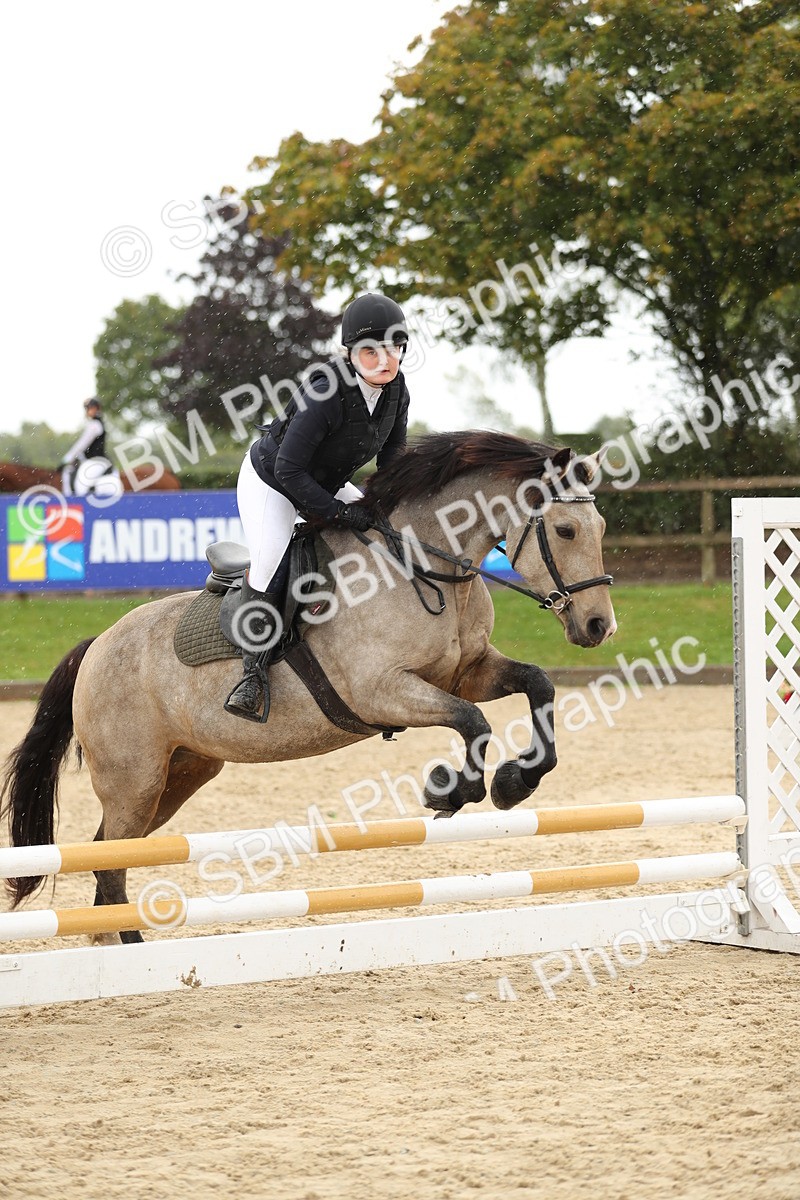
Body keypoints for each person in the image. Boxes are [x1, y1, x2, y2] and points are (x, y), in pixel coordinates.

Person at [225, 292, 411, 722]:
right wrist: (339, 513)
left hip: (322, 480)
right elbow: (290, 471)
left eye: (394, 348)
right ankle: (251, 673)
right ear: (351, 354)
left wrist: (385, 503)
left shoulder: (396, 391)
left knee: (385, 530)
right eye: (371, 350)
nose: (385, 359)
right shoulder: (326, 391)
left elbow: (393, 458)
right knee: (272, 556)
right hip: (271, 480)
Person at [60, 398, 109, 497]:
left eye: (90, 408)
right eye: (87, 408)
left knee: (68, 475)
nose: (88, 411)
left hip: (95, 461)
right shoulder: (95, 423)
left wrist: (67, 459)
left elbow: (82, 444)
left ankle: (71, 501)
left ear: (97, 409)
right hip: (91, 460)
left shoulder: (94, 425)